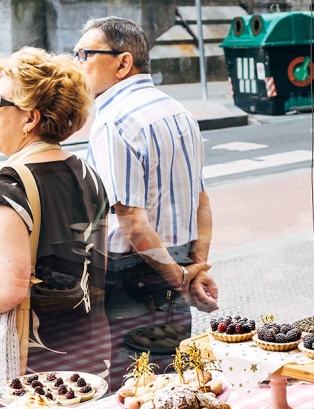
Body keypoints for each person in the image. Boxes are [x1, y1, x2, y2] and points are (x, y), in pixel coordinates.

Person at [0, 47, 112, 384]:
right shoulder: (88, 173)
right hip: (89, 360)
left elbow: (2, 292)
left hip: (30, 377)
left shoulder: (8, 188)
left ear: (30, 118)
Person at [74, 16, 219, 375]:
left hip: (131, 276)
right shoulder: (179, 111)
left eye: (86, 55)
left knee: (134, 389)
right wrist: (193, 268)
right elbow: (201, 199)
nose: (78, 65)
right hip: (175, 262)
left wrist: (183, 277)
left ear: (123, 62)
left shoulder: (114, 122)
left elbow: (133, 222)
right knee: (172, 377)